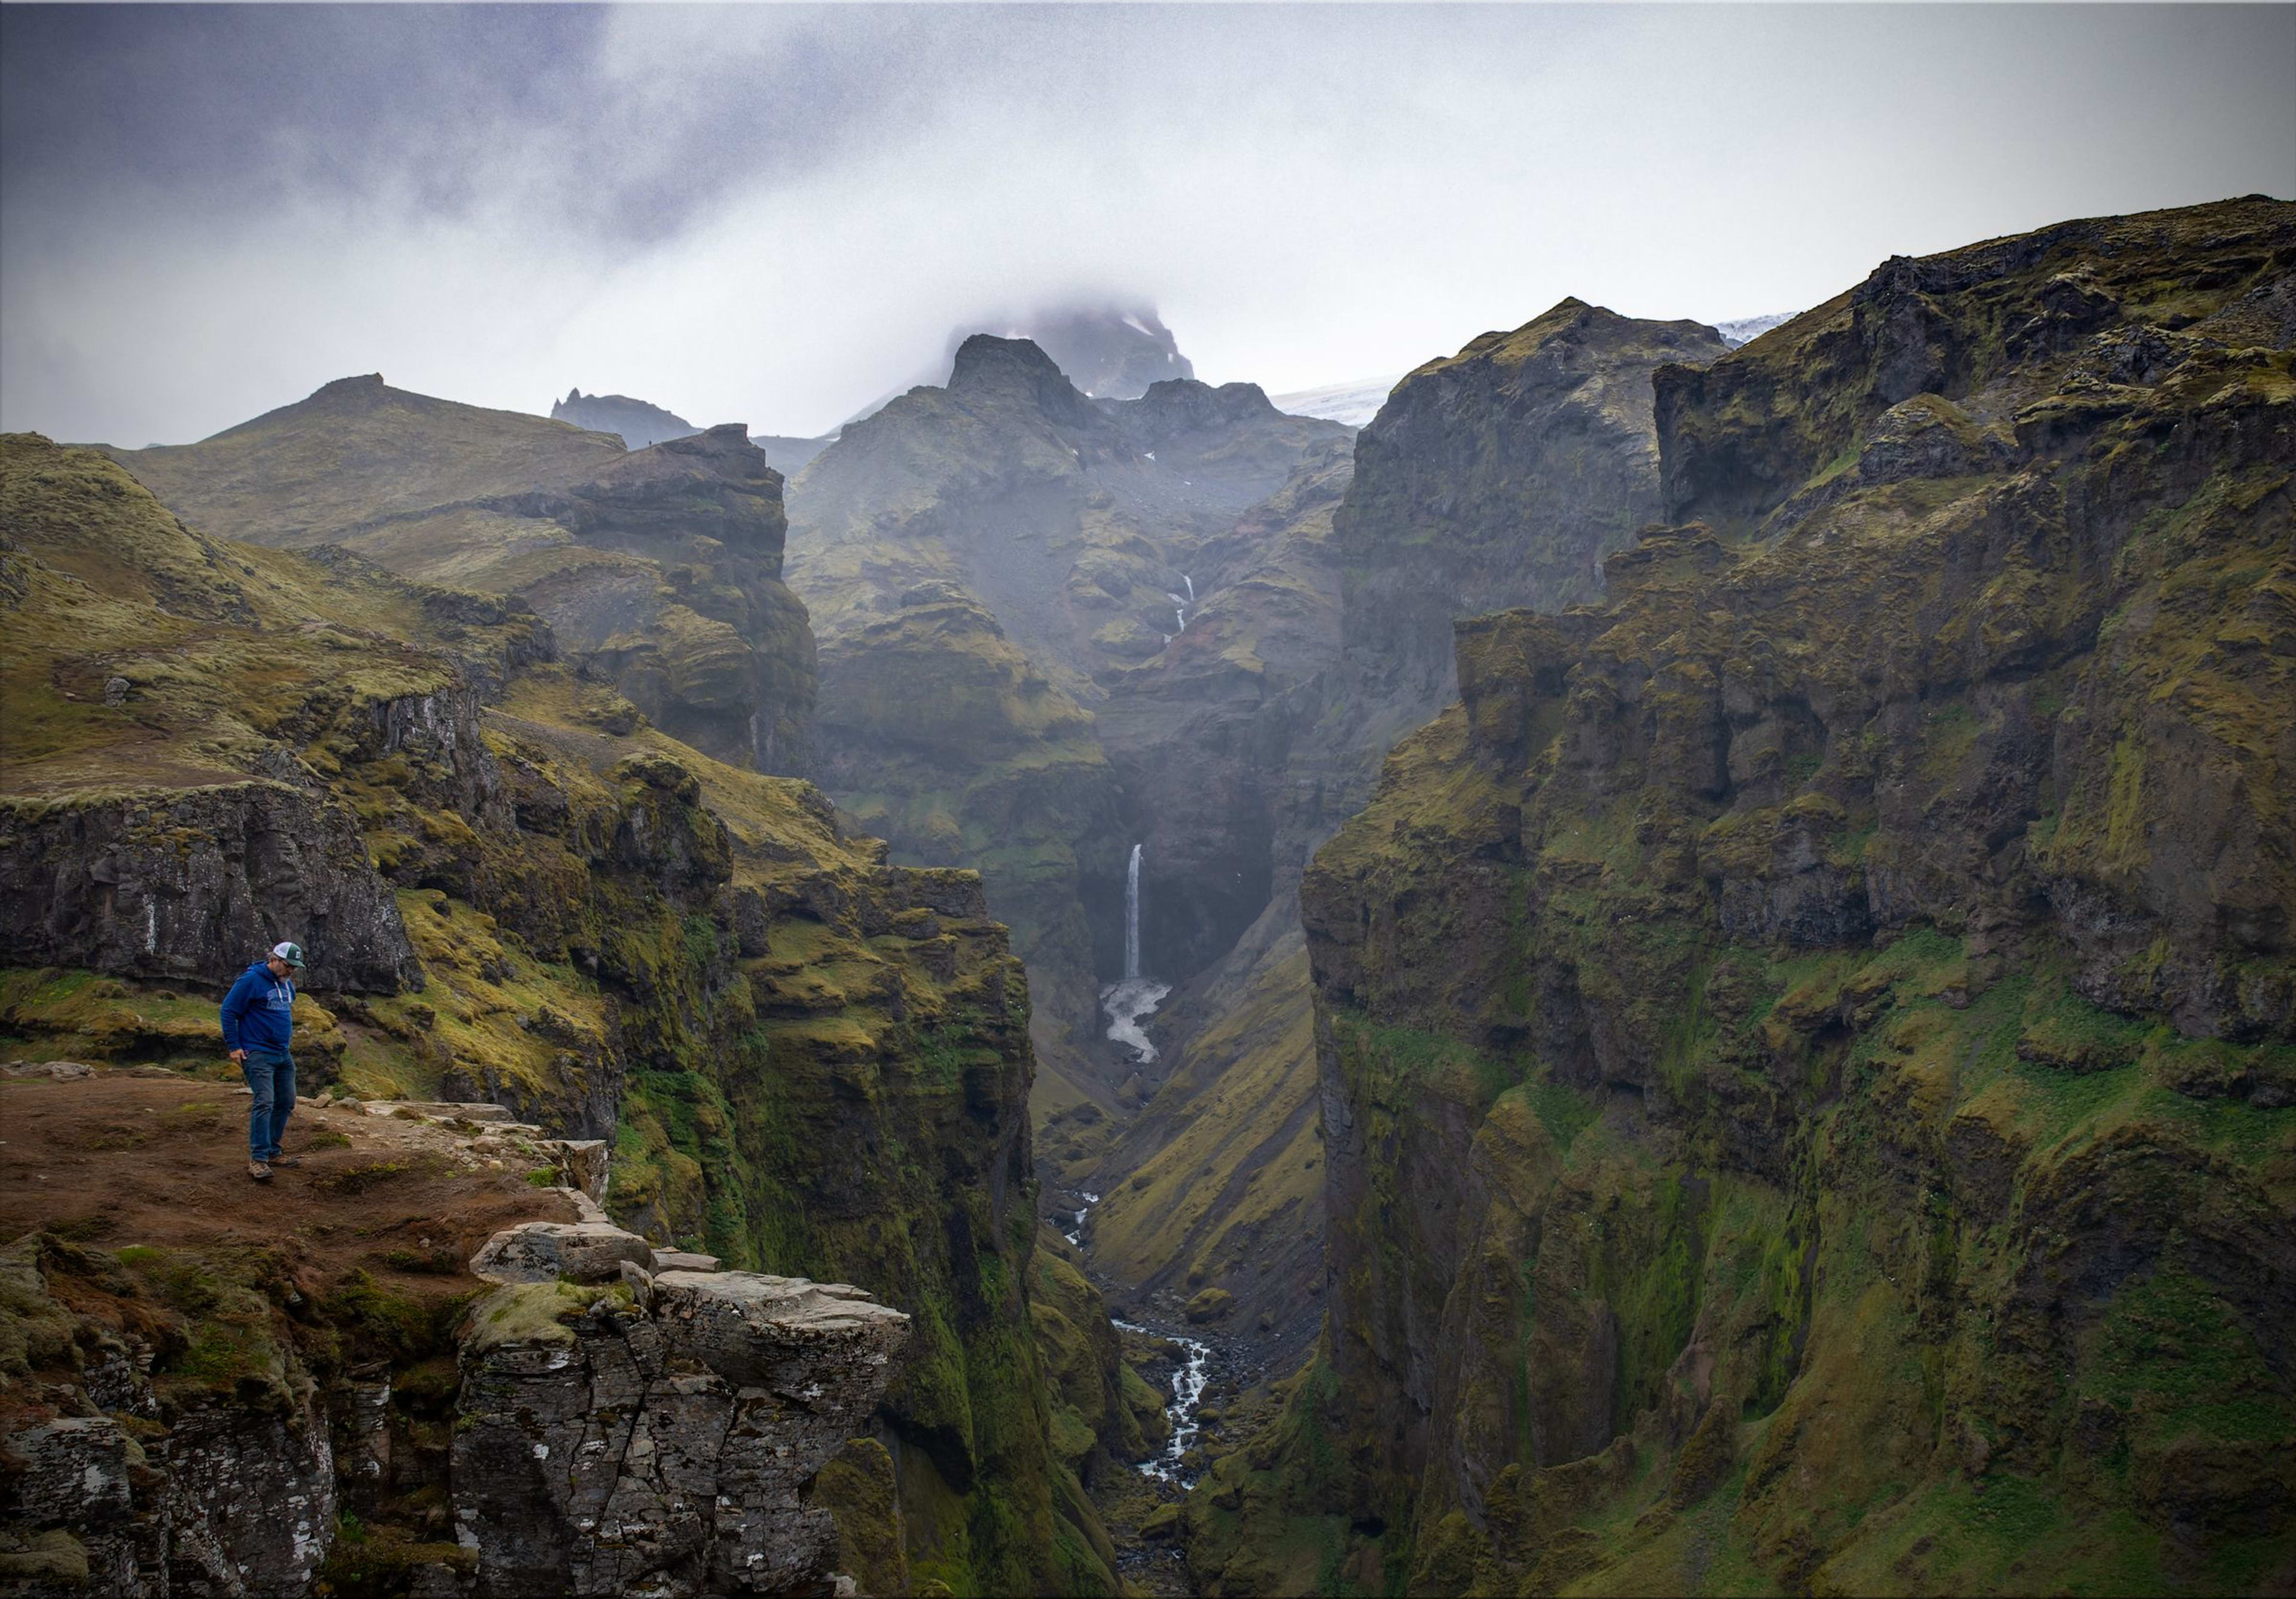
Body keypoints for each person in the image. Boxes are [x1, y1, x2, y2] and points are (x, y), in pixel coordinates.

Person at [220, 941, 306, 1182]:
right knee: (265, 1102)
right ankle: (258, 1160)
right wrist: (235, 1047)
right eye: (288, 966)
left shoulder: (287, 984)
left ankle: (272, 1151)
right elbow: (228, 1011)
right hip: (257, 1053)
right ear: (275, 960)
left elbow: (284, 1008)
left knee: (286, 1102)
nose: (291, 971)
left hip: (282, 1054)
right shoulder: (250, 981)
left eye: (294, 968)